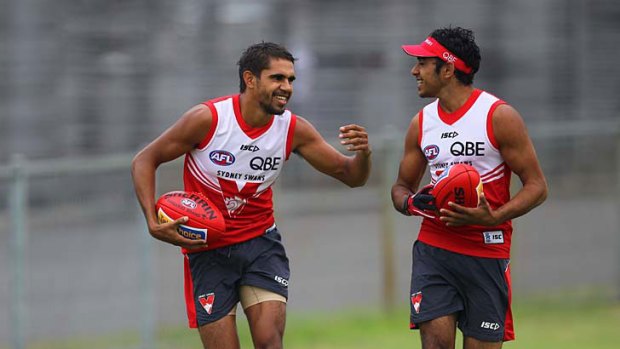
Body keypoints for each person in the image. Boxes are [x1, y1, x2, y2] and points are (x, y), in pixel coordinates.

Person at [131, 42, 371, 349]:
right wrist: (152, 221)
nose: (286, 87)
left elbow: (351, 176)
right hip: (208, 251)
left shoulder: (292, 129)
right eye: (277, 78)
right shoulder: (209, 119)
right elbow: (144, 160)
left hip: (260, 245)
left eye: (291, 80)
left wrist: (364, 154)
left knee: (270, 341)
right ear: (250, 79)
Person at [391, 27, 547, 349]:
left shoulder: (498, 116)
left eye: (422, 62)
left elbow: (537, 186)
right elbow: (401, 188)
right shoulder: (421, 123)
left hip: (486, 251)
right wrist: (411, 203)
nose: (414, 70)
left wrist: (495, 217)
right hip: (434, 249)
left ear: (447, 69)